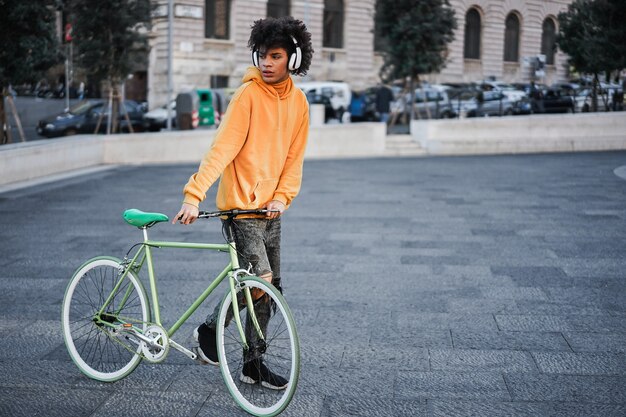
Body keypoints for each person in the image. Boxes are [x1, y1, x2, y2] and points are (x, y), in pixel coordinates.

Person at [173, 16, 313, 390]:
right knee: (260, 280)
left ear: (293, 59)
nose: (267, 63)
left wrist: (283, 198)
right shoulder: (247, 96)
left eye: (276, 56)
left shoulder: (299, 103)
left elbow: (293, 159)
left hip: (271, 210)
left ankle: (253, 364)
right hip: (241, 211)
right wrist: (193, 194)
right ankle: (210, 329)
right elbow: (222, 149)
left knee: (269, 290)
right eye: (262, 55)